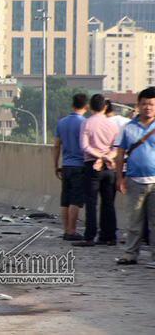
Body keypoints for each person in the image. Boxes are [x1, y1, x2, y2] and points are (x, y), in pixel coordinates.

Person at [116, 87, 155, 266]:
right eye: (145, 104)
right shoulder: (128, 127)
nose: (148, 107)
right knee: (134, 220)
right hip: (133, 180)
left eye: (151, 104)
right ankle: (130, 254)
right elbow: (120, 154)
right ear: (138, 105)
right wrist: (119, 178)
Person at [74, 94, 119, 247]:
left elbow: (84, 146)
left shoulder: (86, 124)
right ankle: (109, 236)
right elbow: (116, 148)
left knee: (91, 203)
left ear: (90, 107)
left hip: (92, 166)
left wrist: (99, 157)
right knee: (108, 203)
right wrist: (106, 157)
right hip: (109, 167)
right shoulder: (112, 125)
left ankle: (90, 236)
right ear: (105, 107)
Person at [53, 93, 88, 241]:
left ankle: (66, 229)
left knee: (65, 200)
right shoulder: (85, 123)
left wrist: (56, 165)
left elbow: (56, 146)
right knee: (75, 200)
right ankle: (72, 231)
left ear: (72, 105)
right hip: (79, 166)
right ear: (86, 107)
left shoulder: (61, 123)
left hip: (65, 166)